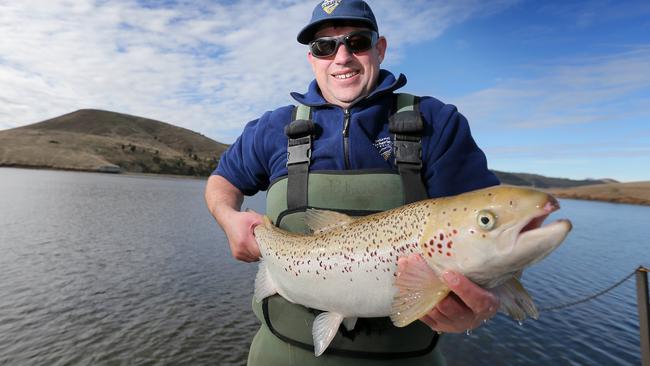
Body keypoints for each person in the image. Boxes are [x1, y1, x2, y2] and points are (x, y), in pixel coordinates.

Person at [204, 1, 501, 365]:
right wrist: (227, 217)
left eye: (356, 41)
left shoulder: (438, 124)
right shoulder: (271, 128)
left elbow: (487, 229)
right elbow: (222, 182)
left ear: (380, 48)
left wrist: (481, 298)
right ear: (312, 59)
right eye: (324, 47)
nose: (341, 57)